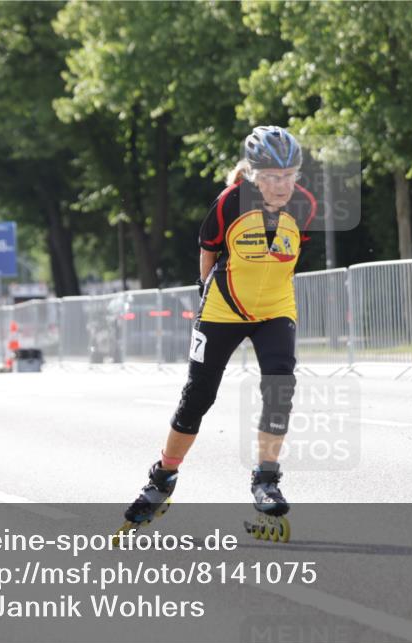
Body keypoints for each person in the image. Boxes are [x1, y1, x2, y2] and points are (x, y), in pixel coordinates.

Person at [121, 126, 316, 536]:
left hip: (275, 310)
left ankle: (266, 479)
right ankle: (162, 480)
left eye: (289, 176)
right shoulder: (230, 202)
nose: (282, 186)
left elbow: (290, 252)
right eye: (272, 177)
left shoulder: (306, 205)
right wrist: (207, 296)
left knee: (280, 387)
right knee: (198, 397)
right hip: (222, 309)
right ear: (253, 174)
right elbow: (208, 248)